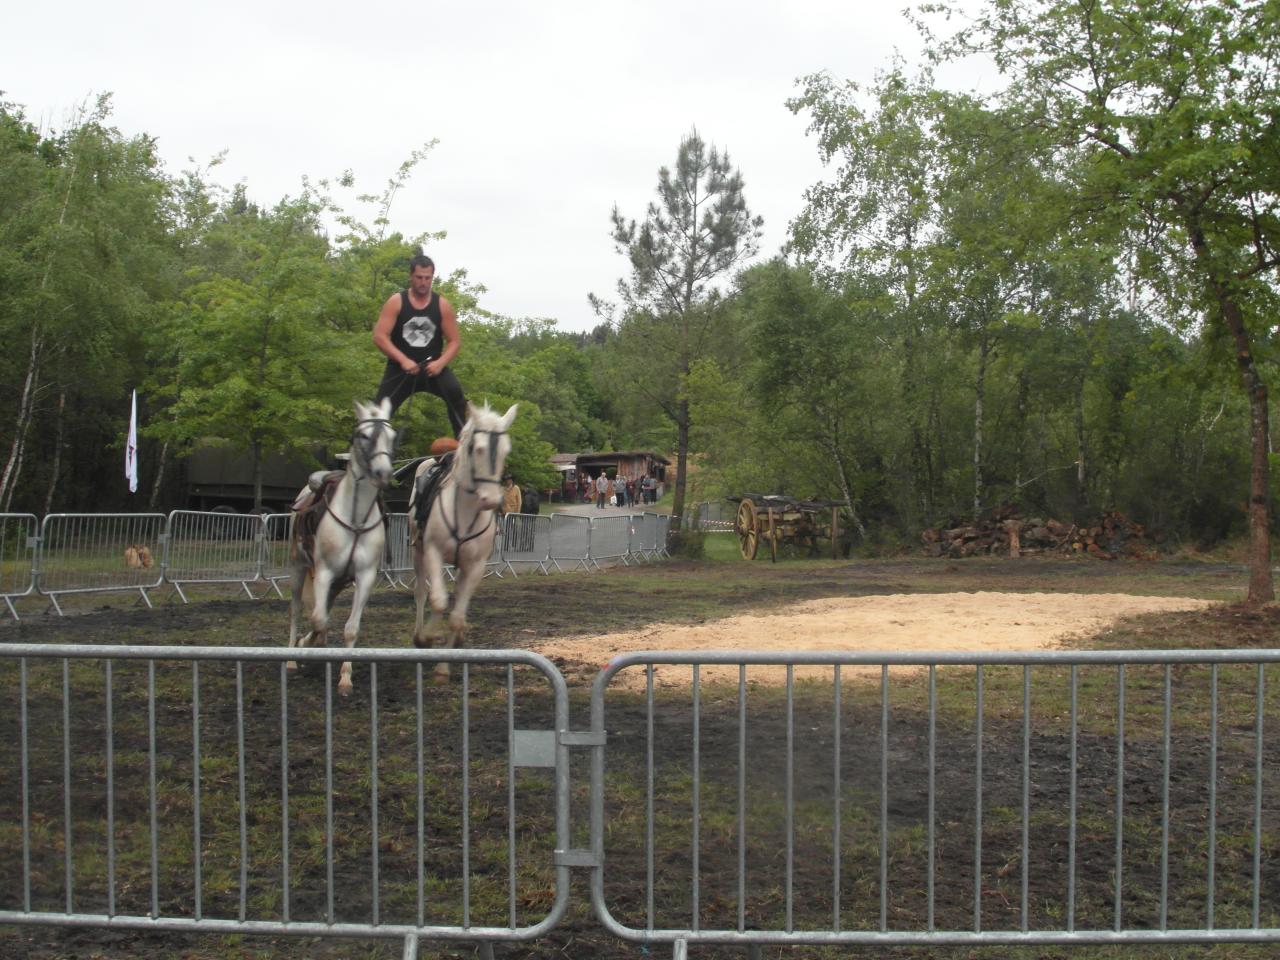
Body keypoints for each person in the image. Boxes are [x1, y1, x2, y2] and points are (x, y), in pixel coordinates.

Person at [372, 254, 468, 435]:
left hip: (432, 367)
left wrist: (441, 363)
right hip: (401, 369)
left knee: (456, 395)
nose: (423, 282)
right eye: (419, 277)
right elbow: (379, 336)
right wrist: (403, 360)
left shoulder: (442, 305)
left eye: (427, 278)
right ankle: (363, 454)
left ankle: (464, 445)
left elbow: (454, 341)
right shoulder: (396, 302)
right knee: (377, 414)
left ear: (432, 277)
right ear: (411, 276)